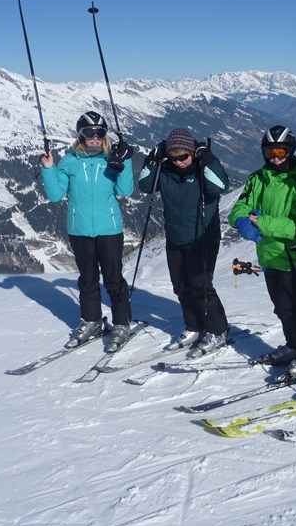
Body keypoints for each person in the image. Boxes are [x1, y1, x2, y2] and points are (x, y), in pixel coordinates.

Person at [228, 125, 296, 383]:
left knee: (291, 307)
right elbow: (241, 205)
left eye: (280, 151)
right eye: (269, 151)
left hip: (294, 256)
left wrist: (263, 222)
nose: (274, 157)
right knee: (281, 308)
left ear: (291, 151)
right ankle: (294, 345)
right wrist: (241, 220)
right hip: (269, 255)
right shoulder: (257, 179)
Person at [40, 111, 135, 352]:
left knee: (113, 279)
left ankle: (122, 323)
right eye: (89, 132)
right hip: (80, 230)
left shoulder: (112, 159)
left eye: (99, 132)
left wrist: (125, 162)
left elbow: (125, 190)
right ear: (80, 134)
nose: (94, 137)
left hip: (109, 229)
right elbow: (55, 195)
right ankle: (92, 321)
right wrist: (49, 169)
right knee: (88, 279)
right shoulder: (69, 161)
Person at [138, 128, 230, 354]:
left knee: (201, 286)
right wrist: (152, 159)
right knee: (180, 285)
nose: (179, 162)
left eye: (183, 156)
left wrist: (208, 158)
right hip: (175, 237)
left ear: (192, 153)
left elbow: (220, 186)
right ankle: (194, 326)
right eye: (173, 157)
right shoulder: (165, 171)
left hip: (202, 238)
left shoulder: (202, 172)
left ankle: (218, 330)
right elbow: (145, 185)